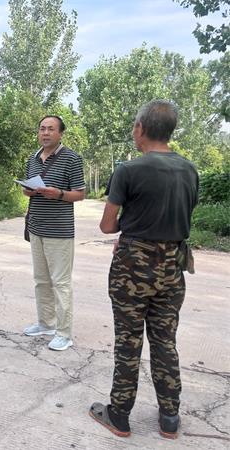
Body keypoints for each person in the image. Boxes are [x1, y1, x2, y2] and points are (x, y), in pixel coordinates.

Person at [89, 100, 199, 439]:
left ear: (140, 128)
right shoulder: (190, 170)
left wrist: (131, 227)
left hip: (132, 267)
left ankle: (119, 415)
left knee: (129, 341)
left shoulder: (128, 170)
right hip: (172, 266)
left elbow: (107, 226)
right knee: (165, 340)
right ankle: (169, 417)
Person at [22, 115, 85, 351]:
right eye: (42, 129)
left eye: (50, 129)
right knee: (41, 280)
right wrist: (28, 191)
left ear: (60, 133)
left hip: (59, 231)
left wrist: (57, 193)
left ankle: (64, 334)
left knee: (61, 283)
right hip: (36, 227)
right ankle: (45, 323)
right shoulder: (33, 158)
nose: (45, 133)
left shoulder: (72, 158)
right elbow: (27, 189)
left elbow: (80, 193)